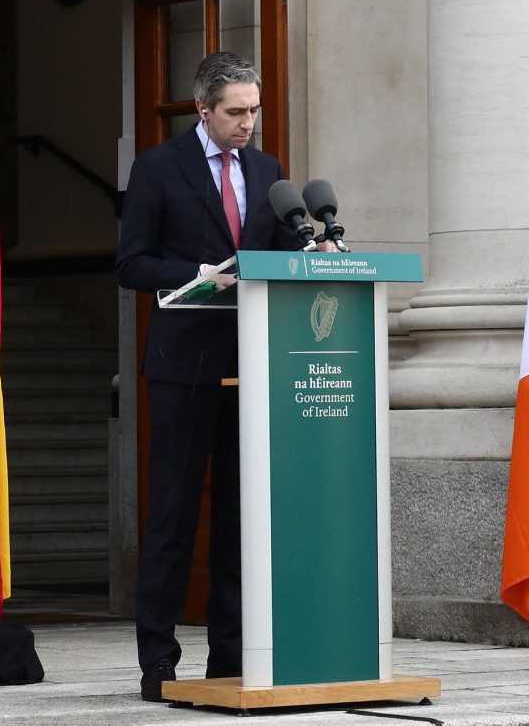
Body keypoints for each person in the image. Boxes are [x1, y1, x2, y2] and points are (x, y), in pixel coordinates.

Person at [115, 52, 305, 701]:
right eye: (235, 112)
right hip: (182, 368)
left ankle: (231, 655)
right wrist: (195, 276)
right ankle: (158, 660)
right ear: (203, 109)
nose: (247, 123)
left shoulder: (269, 172)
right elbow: (132, 263)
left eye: (253, 111)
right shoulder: (157, 168)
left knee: (240, 517)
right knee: (172, 515)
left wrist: (315, 253)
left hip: (251, 365)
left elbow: (282, 253)